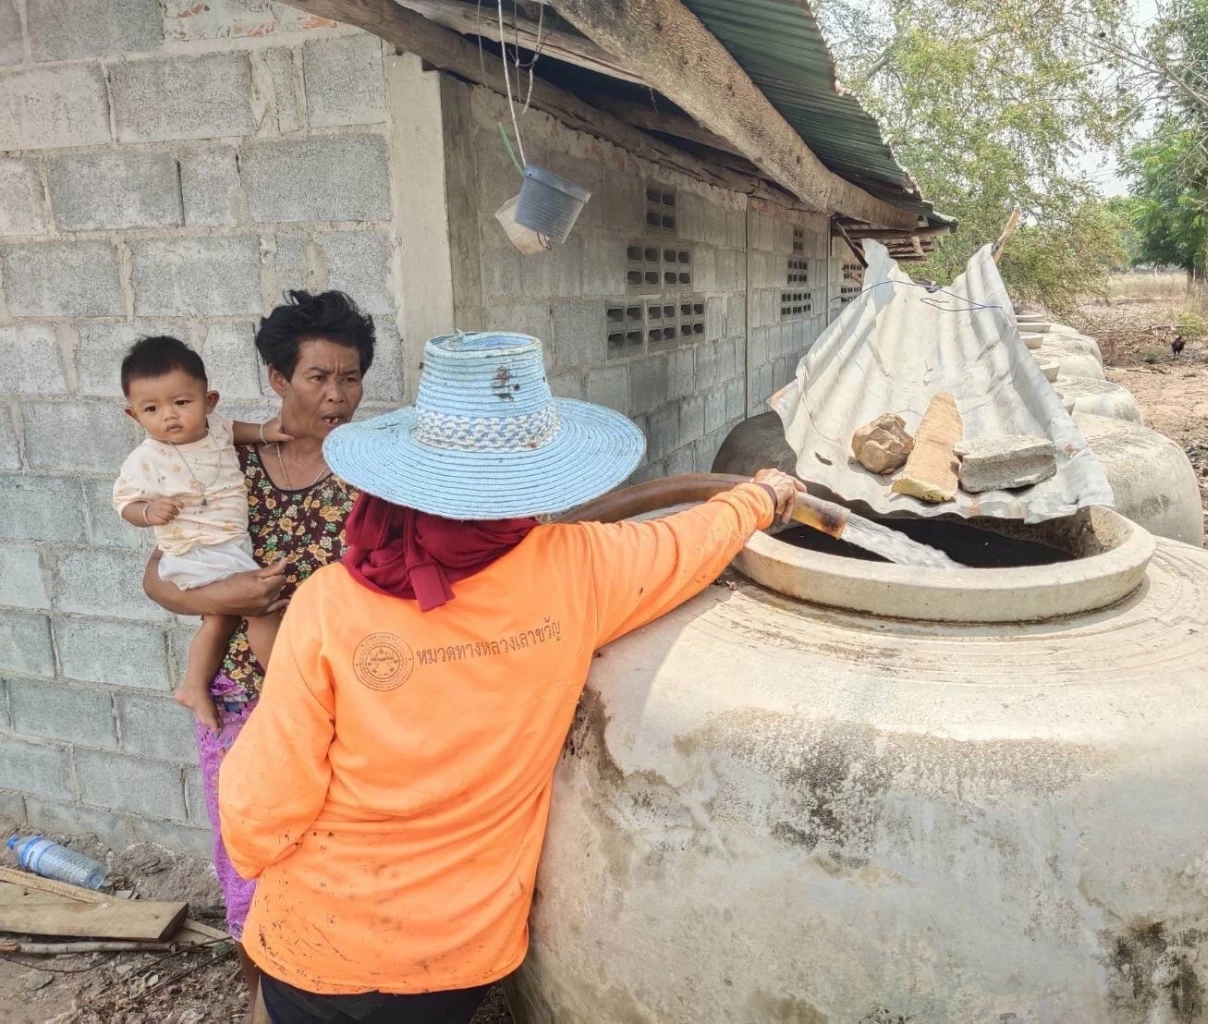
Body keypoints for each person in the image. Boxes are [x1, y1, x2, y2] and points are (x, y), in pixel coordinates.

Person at [218, 332, 804, 1024]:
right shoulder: (582, 567)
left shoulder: (329, 603)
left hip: (320, 938)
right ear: (536, 473)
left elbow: (263, 803)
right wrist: (759, 498)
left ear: (405, 476)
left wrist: (255, 862)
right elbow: (689, 541)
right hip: (456, 954)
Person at [140, 291, 375, 1022]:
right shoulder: (223, 461)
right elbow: (158, 575)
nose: (336, 395)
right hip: (242, 698)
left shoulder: (377, 473)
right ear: (277, 379)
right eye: (317, 378)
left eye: (350, 377)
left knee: (340, 864)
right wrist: (231, 599)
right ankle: (262, 998)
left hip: (344, 709)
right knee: (249, 857)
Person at [114, 336, 293, 732]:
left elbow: (239, 432)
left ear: (208, 401)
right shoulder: (145, 459)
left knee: (218, 621)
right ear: (134, 415)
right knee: (261, 608)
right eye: (152, 409)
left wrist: (266, 431)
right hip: (195, 550)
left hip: (228, 544)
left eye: (181, 403)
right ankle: (287, 686)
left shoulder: (216, 430)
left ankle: (194, 685)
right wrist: (147, 511)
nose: (169, 416)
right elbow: (123, 503)